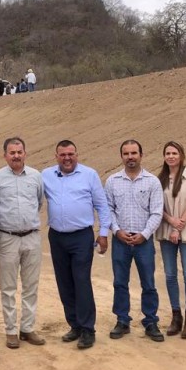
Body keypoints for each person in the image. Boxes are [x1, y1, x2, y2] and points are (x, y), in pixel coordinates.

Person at [42, 140, 110, 349]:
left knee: (81, 281)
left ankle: (88, 329)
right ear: (56, 157)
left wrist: (104, 233)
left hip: (82, 237)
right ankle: (75, 325)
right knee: (64, 283)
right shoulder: (45, 175)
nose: (67, 158)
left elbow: (102, 205)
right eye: (62, 155)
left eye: (70, 154)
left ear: (77, 154)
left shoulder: (89, 174)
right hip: (57, 237)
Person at [0, 138, 46, 349]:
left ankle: (28, 328)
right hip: (7, 237)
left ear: (25, 153)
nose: (16, 156)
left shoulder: (35, 176)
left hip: (32, 236)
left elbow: (39, 202)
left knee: (31, 285)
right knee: (8, 287)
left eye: (19, 151)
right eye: (12, 152)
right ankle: (11, 331)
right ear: (5, 155)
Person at [105, 139, 164, 342]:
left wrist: (144, 234)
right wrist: (117, 230)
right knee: (120, 282)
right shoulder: (113, 181)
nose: (130, 157)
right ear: (121, 156)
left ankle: (150, 321)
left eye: (134, 153)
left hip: (144, 241)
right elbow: (108, 209)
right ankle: (122, 320)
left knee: (148, 283)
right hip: (120, 240)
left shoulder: (152, 181)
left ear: (141, 155)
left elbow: (156, 212)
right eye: (126, 153)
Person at [155, 141, 186, 339]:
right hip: (167, 230)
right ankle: (176, 316)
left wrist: (178, 226)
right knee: (169, 274)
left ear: (181, 155)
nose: (171, 156)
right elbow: (158, 206)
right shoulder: (160, 179)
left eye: (174, 153)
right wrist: (171, 223)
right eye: (167, 153)